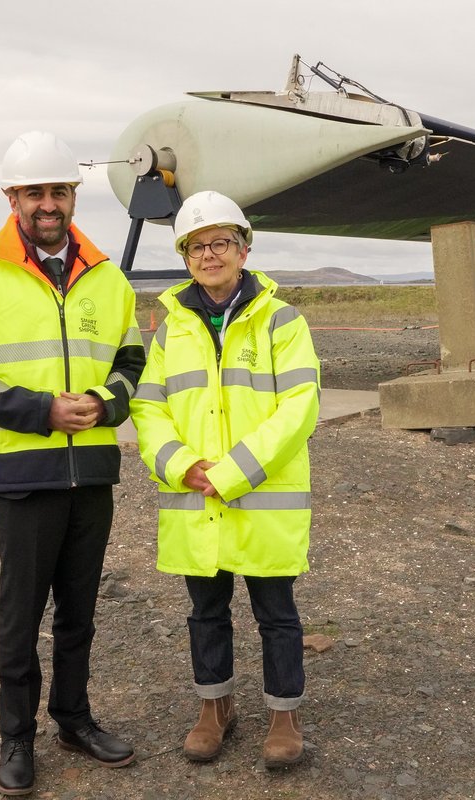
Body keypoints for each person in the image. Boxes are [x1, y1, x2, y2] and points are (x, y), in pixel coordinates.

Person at [0, 131, 145, 795]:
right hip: (21, 475)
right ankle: (16, 739)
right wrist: (40, 412)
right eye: (34, 193)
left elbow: (132, 364)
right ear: (11, 198)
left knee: (79, 612)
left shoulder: (108, 277)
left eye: (58, 191)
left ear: (73, 196)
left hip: (94, 472)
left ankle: (74, 720)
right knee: (22, 618)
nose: (47, 204)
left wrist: (107, 406)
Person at [130, 191, 321, 767]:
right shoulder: (171, 329)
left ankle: (284, 715)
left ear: (243, 248)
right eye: (196, 246)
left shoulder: (282, 321)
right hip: (194, 495)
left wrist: (231, 473)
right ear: (186, 256)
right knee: (205, 612)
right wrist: (181, 465)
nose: (209, 254)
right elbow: (149, 405)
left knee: (276, 614)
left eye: (220, 242)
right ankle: (215, 708)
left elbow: (300, 406)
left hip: (262, 499)